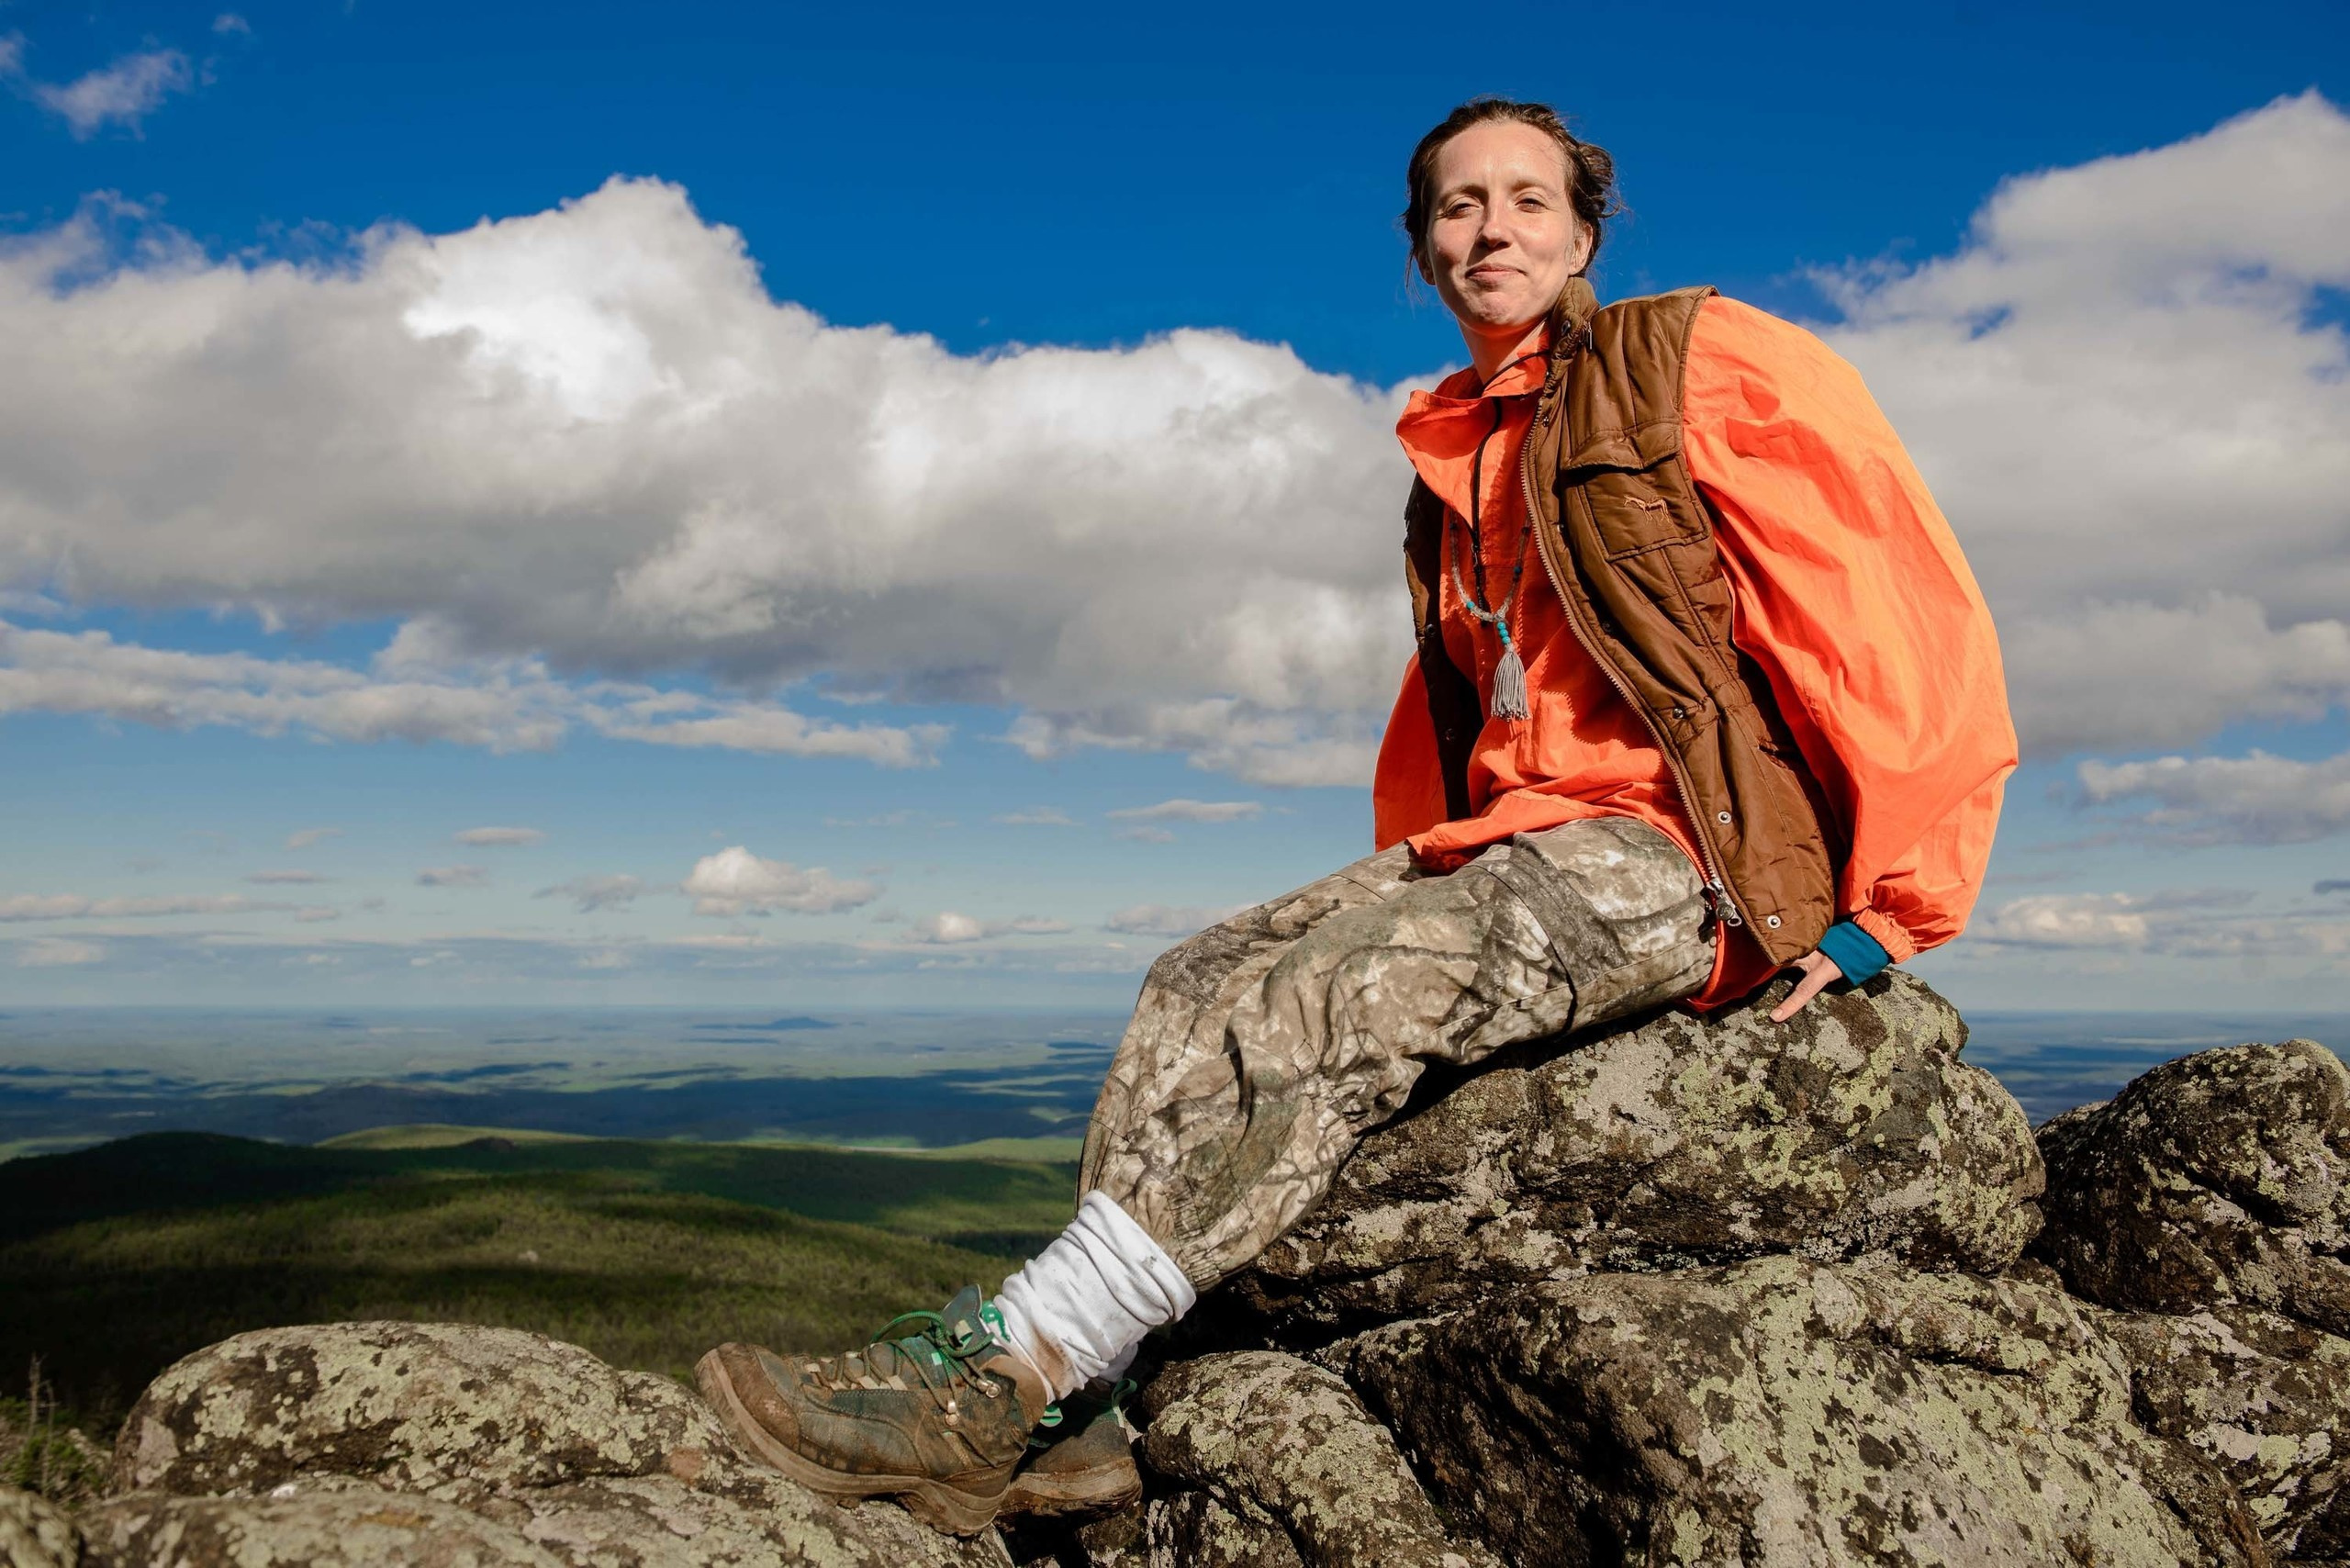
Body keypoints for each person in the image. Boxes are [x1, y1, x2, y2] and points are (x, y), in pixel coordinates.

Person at [695, 95, 2018, 1537]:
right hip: (1523, 838)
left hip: (1684, 849)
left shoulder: (1695, 360)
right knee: (1196, 979)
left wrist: (1896, 904)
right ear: (1421, 246)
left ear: (1582, 233)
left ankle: (998, 1380)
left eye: (1525, 200)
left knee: (1350, 993)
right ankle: (1084, 1411)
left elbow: (1888, 604)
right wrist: (1415, 867)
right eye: (1457, 205)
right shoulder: (1451, 462)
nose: (1490, 227)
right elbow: (1461, 714)